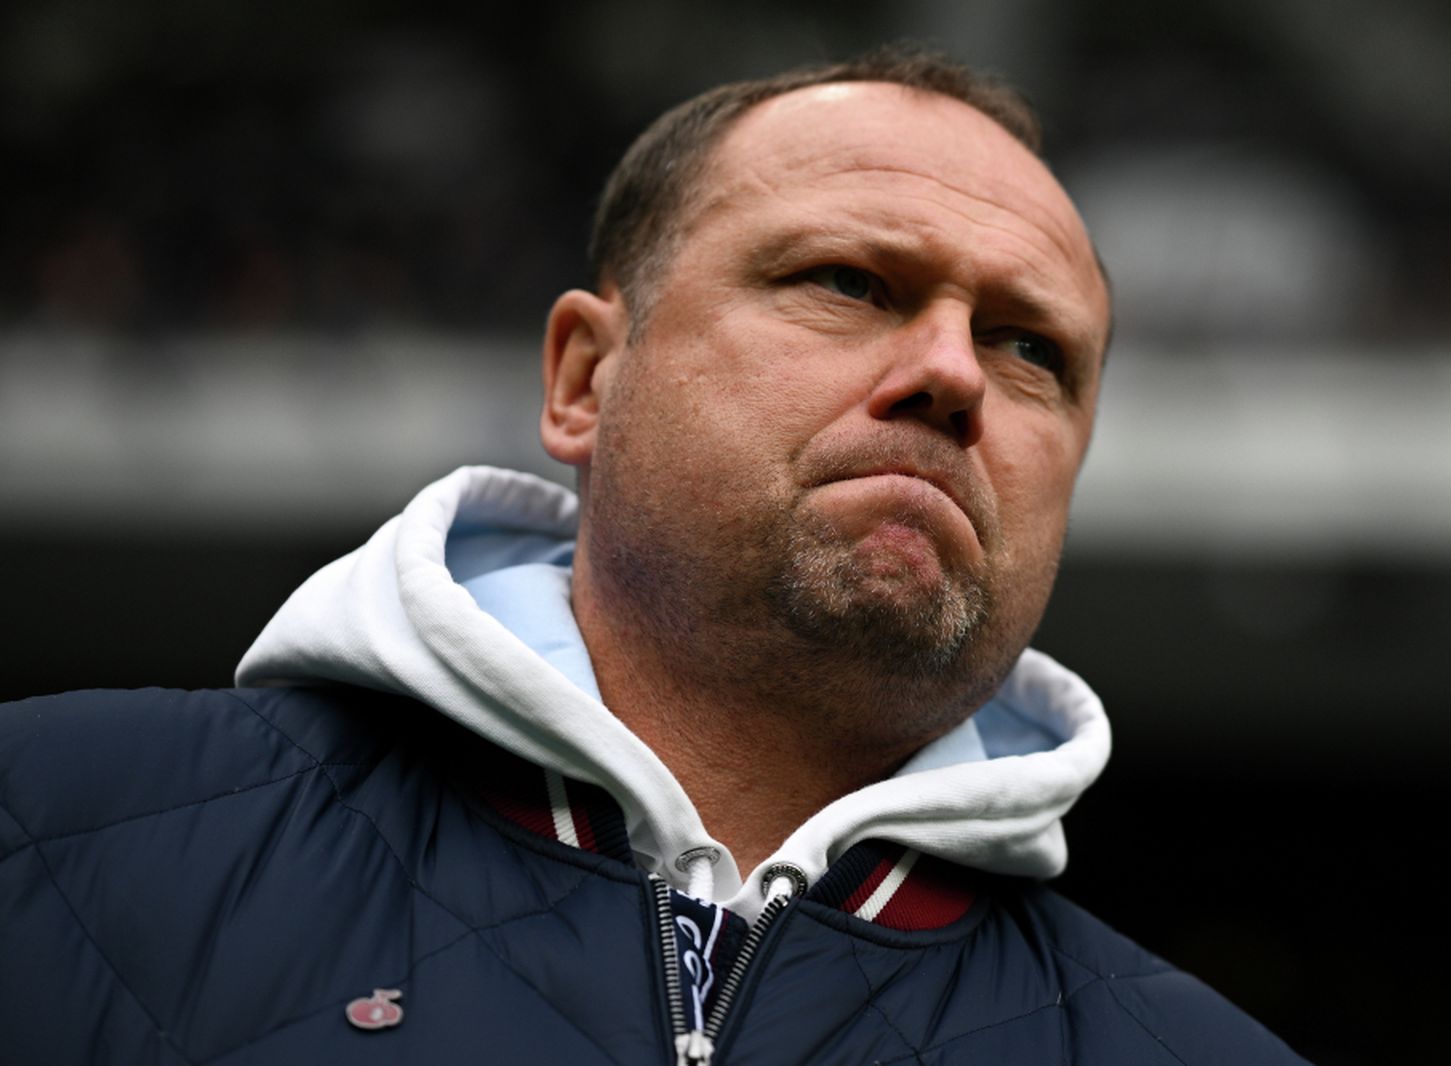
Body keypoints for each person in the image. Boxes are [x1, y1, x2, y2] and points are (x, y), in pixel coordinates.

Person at [0, 47, 1309, 1065]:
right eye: (850, 282)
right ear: (585, 377)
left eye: (1032, 348)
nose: (955, 373)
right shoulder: (43, 832)